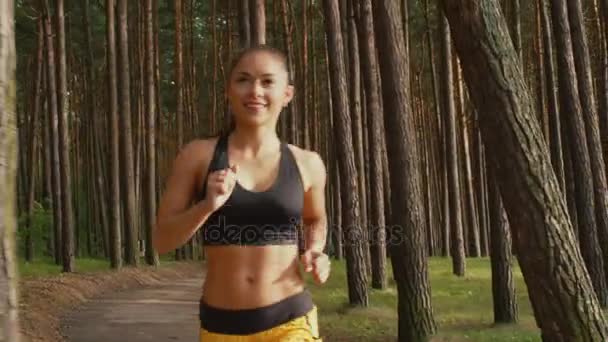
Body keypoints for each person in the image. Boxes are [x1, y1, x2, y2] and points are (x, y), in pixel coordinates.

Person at [152, 44, 330, 341]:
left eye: (267, 81)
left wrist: (315, 250)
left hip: (290, 321)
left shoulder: (307, 163)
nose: (255, 91)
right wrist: (207, 206)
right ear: (228, 91)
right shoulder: (198, 156)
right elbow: (161, 240)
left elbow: (315, 219)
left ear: (287, 94)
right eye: (243, 79)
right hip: (221, 328)